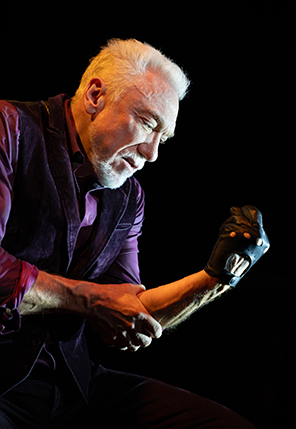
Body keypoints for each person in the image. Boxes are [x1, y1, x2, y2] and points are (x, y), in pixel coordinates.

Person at [0, 38, 269, 428]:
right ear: (95, 95)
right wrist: (87, 300)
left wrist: (218, 277)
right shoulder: (10, 128)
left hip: (69, 385)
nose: (152, 153)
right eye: (147, 124)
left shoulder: (129, 198)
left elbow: (128, 312)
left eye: (164, 138)